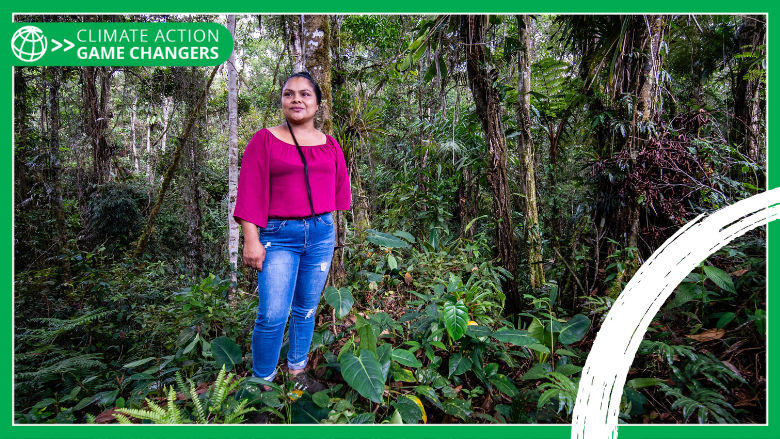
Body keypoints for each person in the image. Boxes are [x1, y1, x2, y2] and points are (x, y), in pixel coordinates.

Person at [233, 71, 351, 392]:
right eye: (289, 94)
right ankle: (263, 383)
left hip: (321, 234)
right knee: (272, 314)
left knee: (306, 308)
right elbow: (249, 191)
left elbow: (337, 193)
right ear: (282, 101)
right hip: (278, 234)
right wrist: (251, 239)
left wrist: (327, 230)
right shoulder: (265, 139)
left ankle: (298, 370)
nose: (296, 99)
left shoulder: (331, 146)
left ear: (317, 103)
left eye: (304, 94)